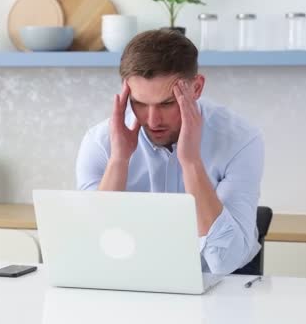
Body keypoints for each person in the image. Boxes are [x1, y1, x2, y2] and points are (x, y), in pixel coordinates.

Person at [75, 29, 264, 274]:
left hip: (220, 279)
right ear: (126, 90)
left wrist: (191, 162)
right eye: (140, 103)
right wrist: (119, 160)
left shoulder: (240, 140)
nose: (153, 120)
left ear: (196, 88)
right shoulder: (100, 142)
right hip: (132, 276)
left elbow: (223, 261)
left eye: (167, 103)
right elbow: (92, 250)